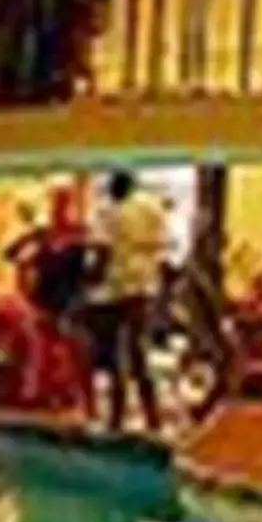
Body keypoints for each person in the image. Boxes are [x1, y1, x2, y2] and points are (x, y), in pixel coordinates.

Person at [87, 170, 170, 434]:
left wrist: (90, 283)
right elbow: (161, 245)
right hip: (145, 285)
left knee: (116, 355)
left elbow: (102, 250)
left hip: (117, 287)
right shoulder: (151, 208)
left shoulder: (108, 211)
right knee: (138, 352)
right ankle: (152, 416)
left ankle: (117, 417)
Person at [5, 188, 97, 414]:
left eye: (63, 203)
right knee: (43, 348)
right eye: (56, 204)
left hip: (69, 301)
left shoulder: (79, 235)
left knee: (76, 352)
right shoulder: (44, 235)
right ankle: (43, 395)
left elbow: (90, 267)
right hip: (43, 299)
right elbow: (10, 253)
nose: (59, 209)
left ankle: (85, 402)